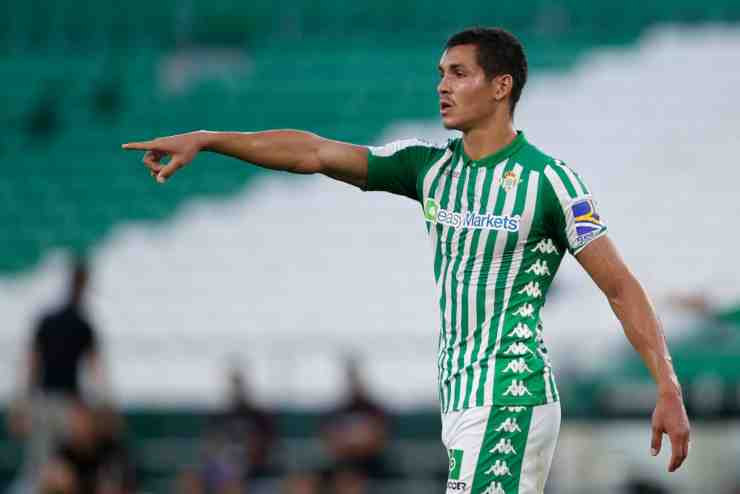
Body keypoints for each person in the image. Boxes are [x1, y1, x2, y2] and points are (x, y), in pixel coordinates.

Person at [122, 27, 690, 493]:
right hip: (461, 398)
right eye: (441, 73)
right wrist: (209, 138)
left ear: (501, 86)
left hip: (510, 393)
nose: (442, 85)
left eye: (459, 73)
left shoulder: (550, 181)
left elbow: (620, 286)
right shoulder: (428, 168)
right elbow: (313, 152)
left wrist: (667, 386)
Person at [11, 257, 108, 492]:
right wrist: (101, 406)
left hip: (46, 401)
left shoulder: (52, 320)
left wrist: (23, 401)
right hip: (65, 404)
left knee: (42, 467)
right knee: (58, 467)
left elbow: (32, 364)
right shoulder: (82, 324)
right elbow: (96, 370)